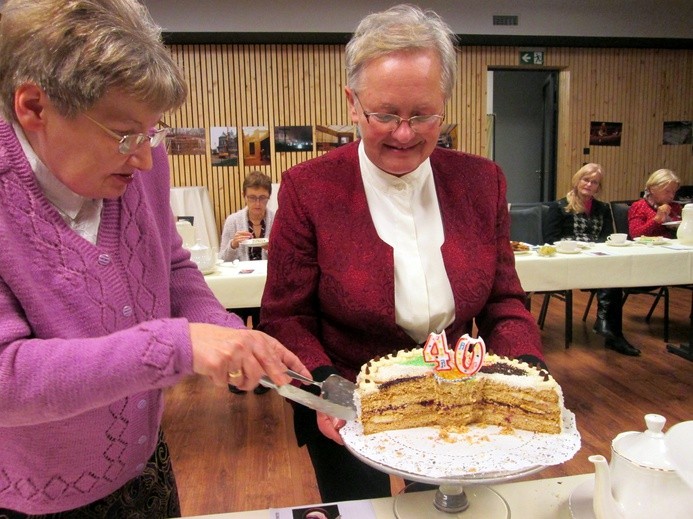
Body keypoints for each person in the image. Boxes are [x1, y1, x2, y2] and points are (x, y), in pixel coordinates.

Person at [0, 1, 308, 517]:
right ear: (34, 107)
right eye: (125, 135)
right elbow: (8, 379)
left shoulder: (142, 158)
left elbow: (170, 265)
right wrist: (175, 343)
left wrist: (226, 332)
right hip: (36, 496)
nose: (145, 157)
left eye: (153, 132)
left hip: (144, 462)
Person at [259, 4, 545, 502]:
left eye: (423, 114)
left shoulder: (481, 182)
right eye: (385, 114)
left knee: (448, 510)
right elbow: (286, 317)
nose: (405, 133)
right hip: (347, 403)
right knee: (359, 509)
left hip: (457, 399)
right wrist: (327, 387)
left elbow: (504, 301)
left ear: (445, 105)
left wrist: (525, 371)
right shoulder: (309, 188)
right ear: (353, 103)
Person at [544, 164, 640, 356]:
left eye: (594, 182)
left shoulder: (602, 208)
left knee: (614, 274)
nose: (589, 184)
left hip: (595, 261)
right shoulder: (559, 207)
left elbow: (605, 238)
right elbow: (549, 240)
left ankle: (613, 334)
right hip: (568, 263)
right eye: (585, 179)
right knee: (610, 276)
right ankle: (607, 326)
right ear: (577, 181)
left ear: (598, 187)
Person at [219, 170, 274, 263]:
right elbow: (222, 260)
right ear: (244, 196)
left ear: (269, 196)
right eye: (252, 197)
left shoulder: (277, 220)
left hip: (270, 274)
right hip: (240, 276)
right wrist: (233, 245)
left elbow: (288, 258)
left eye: (262, 198)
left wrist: (273, 249)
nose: (257, 203)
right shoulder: (232, 221)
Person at [628, 168, 681, 239]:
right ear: (652, 189)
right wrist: (656, 220)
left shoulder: (675, 207)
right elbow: (635, 235)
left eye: (674, 192)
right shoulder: (640, 206)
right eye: (667, 191)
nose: (671, 196)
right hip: (649, 248)